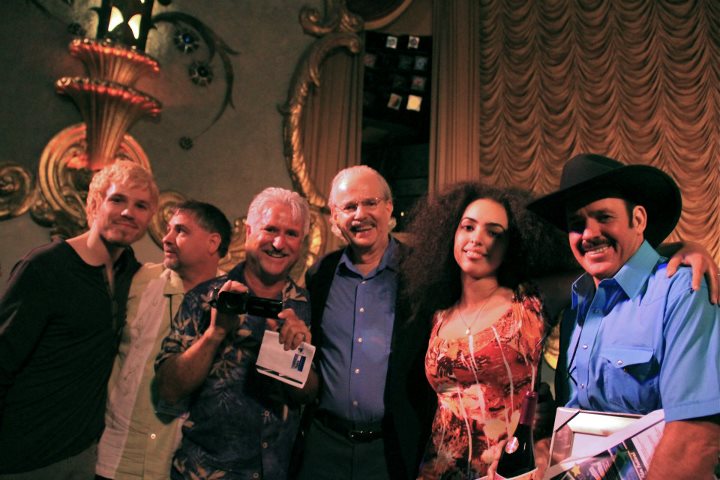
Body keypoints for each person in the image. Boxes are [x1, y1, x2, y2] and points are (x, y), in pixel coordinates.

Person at [527, 153, 720, 479]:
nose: (589, 234)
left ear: (639, 219)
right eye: (577, 225)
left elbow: (695, 439)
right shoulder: (577, 305)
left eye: (603, 217)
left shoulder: (683, 289)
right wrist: (544, 427)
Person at [402, 182, 572, 480]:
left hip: (507, 471)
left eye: (494, 233)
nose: (477, 239)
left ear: (512, 245)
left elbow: (603, 267)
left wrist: (681, 253)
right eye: (468, 227)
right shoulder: (437, 315)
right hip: (437, 470)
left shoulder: (530, 302)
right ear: (451, 234)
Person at [0, 160, 159, 478]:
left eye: (141, 205)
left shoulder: (131, 272)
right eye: (118, 200)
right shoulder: (45, 267)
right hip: (23, 457)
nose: (129, 212)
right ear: (95, 202)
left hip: (82, 457)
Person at [155, 187, 315, 480]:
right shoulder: (206, 297)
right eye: (270, 229)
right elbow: (168, 389)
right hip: (205, 472)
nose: (279, 243)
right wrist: (215, 333)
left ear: (301, 241)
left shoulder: (304, 305)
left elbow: (307, 395)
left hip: (277, 471)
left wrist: (294, 355)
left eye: (291, 234)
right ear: (250, 231)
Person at [295, 165, 436, 480]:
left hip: (392, 448)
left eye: (370, 203)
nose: (360, 214)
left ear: (388, 207)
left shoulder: (423, 274)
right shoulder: (320, 276)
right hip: (323, 445)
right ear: (334, 217)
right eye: (349, 207)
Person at [96, 201, 232, 480]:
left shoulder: (232, 302)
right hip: (120, 458)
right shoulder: (137, 282)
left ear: (212, 242)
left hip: (187, 466)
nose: (166, 238)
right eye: (168, 230)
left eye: (180, 231)